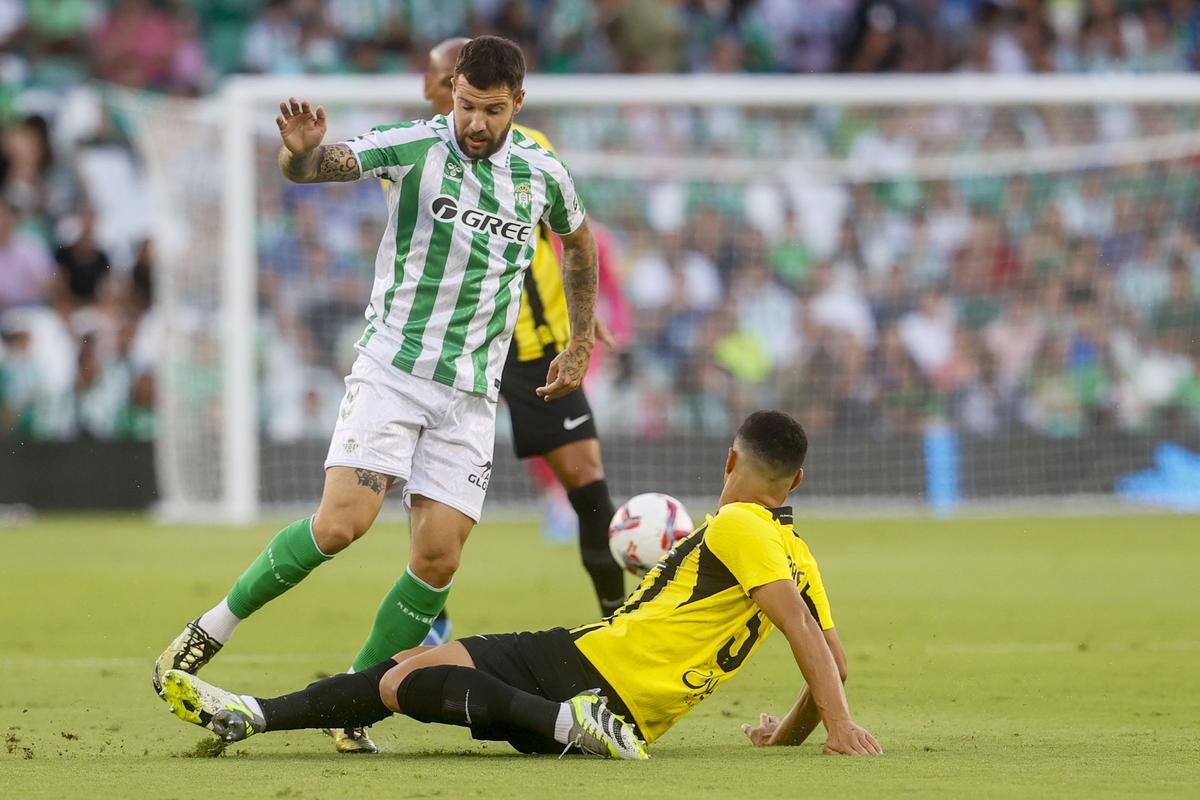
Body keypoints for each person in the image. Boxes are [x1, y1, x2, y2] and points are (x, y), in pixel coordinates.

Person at [152, 36, 600, 756]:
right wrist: (299, 153)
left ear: (518, 102)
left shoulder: (544, 174)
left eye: (490, 110)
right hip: (393, 371)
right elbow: (319, 167)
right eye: (464, 105)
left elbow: (579, 246)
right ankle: (210, 629)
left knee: (438, 560)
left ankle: (351, 701)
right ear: (450, 92)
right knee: (340, 526)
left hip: (471, 396)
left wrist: (578, 341)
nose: (474, 123)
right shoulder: (417, 146)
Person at [160, 411, 883, 760]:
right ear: (799, 482)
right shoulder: (798, 552)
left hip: (601, 668)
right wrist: (791, 736)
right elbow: (833, 661)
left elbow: (795, 631)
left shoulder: (738, 527)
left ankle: (570, 725)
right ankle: (251, 715)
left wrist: (841, 725)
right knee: (407, 669)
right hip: (618, 684)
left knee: (401, 683)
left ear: (731, 461)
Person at [417, 36, 627, 639]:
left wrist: (580, 322)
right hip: (453, 350)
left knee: (588, 483)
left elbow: (566, 241)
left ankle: (619, 623)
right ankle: (430, 616)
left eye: (436, 79)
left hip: (534, 347)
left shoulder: (532, 154)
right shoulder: (417, 153)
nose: (428, 91)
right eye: (434, 84)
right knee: (433, 494)